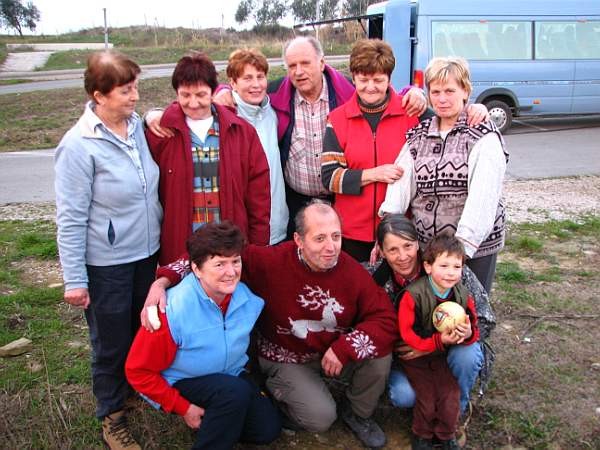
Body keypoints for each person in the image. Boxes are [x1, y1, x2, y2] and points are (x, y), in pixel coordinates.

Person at [146, 200, 398, 449]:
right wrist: (162, 281)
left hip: (331, 351)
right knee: (321, 418)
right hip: (286, 357)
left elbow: (385, 318)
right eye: (320, 238)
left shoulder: (352, 272)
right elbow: (207, 255)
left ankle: (358, 413)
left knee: (379, 354)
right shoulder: (271, 261)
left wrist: (345, 348)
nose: (331, 247)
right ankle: (280, 396)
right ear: (299, 240)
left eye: (336, 236)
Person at [54, 50, 162, 450]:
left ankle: (133, 389)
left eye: (135, 87)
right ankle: (112, 416)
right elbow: (70, 218)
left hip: (147, 254)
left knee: (140, 331)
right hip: (107, 264)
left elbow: (158, 117)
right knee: (110, 343)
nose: (135, 96)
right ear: (98, 95)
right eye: (125, 90)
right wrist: (75, 279)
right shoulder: (78, 146)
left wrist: (154, 115)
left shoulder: (136, 127)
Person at [125, 222, 281, 450]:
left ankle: (217, 418)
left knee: (266, 429)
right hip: (183, 381)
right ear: (196, 269)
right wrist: (183, 407)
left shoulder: (247, 299)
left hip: (230, 375)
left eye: (235, 261)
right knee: (233, 393)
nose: (231, 272)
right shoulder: (172, 310)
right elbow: (137, 371)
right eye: (219, 264)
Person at [379, 56, 508, 293]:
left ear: (465, 91)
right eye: (435, 92)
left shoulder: (482, 135)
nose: (442, 99)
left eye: (449, 91)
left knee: (467, 307)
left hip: (471, 248)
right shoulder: (418, 136)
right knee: (429, 307)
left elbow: (483, 198)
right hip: (427, 246)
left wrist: (459, 252)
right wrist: (389, 232)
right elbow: (400, 186)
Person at [372, 214, 495, 446]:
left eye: (408, 246)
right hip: (409, 358)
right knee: (405, 395)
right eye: (393, 249)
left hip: (450, 349)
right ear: (381, 251)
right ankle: (425, 424)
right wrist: (407, 347)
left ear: (417, 244)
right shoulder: (378, 280)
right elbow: (372, 328)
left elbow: (486, 319)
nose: (402, 256)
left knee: (466, 359)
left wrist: (464, 334)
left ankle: (453, 417)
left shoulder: (447, 266)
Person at [145, 51, 271, 267]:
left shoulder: (242, 132)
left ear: (213, 92)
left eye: (201, 95)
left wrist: (258, 247)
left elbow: (259, 196)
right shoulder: (162, 134)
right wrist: (148, 117)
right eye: (185, 95)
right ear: (176, 93)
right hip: (180, 248)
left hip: (229, 248)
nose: (193, 103)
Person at [321, 39, 420, 262]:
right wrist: (375, 174)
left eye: (378, 80)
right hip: (351, 232)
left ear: (389, 79)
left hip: (399, 232)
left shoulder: (411, 114)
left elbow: (449, 115)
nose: (370, 87)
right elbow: (330, 178)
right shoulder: (338, 119)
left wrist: (477, 109)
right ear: (353, 78)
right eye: (363, 80)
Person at [398, 233, 480, 450]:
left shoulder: (462, 295)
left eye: (456, 266)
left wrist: (467, 333)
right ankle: (422, 435)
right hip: (416, 357)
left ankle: (446, 434)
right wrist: (437, 341)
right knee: (426, 395)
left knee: (450, 393)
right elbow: (407, 334)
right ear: (428, 266)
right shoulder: (413, 295)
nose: (450, 273)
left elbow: (474, 327)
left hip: (441, 356)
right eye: (444, 265)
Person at [226, 48, 288, 245]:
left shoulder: (272, 112)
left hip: (278, 224)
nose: (256, 85)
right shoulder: (226, 117)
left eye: (260, 77)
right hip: (242, 230)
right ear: (233, 83)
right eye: (247, 78)